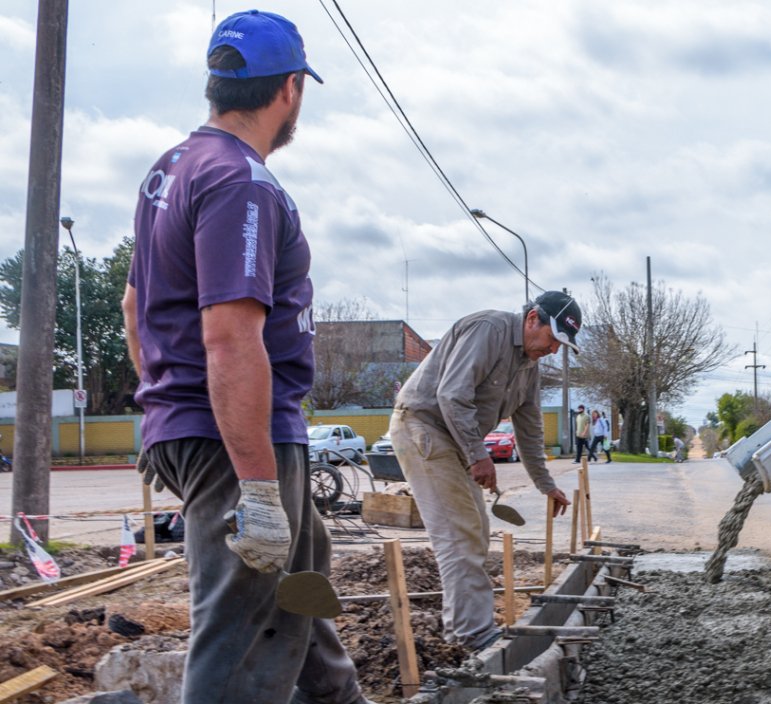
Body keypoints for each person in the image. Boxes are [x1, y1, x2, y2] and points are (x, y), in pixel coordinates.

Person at [122, 11, 372, 703]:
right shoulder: (244, 183)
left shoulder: (171, 169)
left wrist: (163, 405)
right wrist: (257, 488)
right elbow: (232, 338)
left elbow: (132, 306)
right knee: (246, 639)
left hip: (196, 427)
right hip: (237, 438)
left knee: (299, 587)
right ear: (290, 89)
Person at [388, 291, 577, 651]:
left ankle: (463, 628)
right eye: (553, 339)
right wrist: (479, 455)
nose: (553, 350)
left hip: (454, 438)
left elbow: (530, 428)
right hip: (423, 428)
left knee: (477, 529)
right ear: (532, 319)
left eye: (561, 345)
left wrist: (546, 484)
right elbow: (451, 395)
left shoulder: (529, 367)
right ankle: (472, 637)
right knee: (461, 534)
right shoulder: (488, 329)